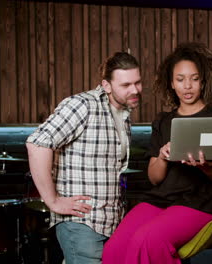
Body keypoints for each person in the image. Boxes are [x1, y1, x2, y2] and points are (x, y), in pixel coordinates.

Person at [102, 42, 212, 264]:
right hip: (160, 199)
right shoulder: (164, 121)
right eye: (180, 79)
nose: (188, 86)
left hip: (201, 202)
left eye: (194, 79)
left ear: (203, 81)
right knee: (114, 249)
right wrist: (163, 156)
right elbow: (155, 178)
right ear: (171, 83)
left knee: (149, 240)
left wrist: (205, 167)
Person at [26, 52, 142, 264]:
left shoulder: (123, 113)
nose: (134, 90)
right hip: (82, 224)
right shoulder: (83, 105)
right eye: (126, 85)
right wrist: (52, 201)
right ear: (106, 86)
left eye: (137, 82)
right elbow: (37, 143)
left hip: (110, 223)